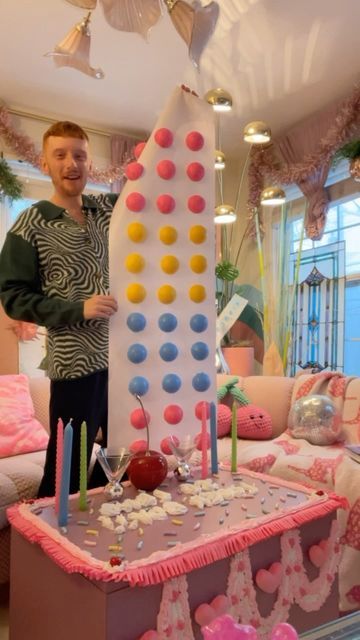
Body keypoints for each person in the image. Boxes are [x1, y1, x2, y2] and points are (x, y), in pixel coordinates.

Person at [0, 121, 120, 497]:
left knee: (125, 458)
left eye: (80, 155)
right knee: (66, 466)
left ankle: (109, 533)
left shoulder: (109, 210)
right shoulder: (30, 223)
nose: (72, 163)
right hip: (75, 364)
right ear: (45, 163)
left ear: (89, 163)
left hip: (124, 358)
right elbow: (14, 297)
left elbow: (153, 202)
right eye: (61, 155)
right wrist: (77, 309)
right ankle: (49, 541)